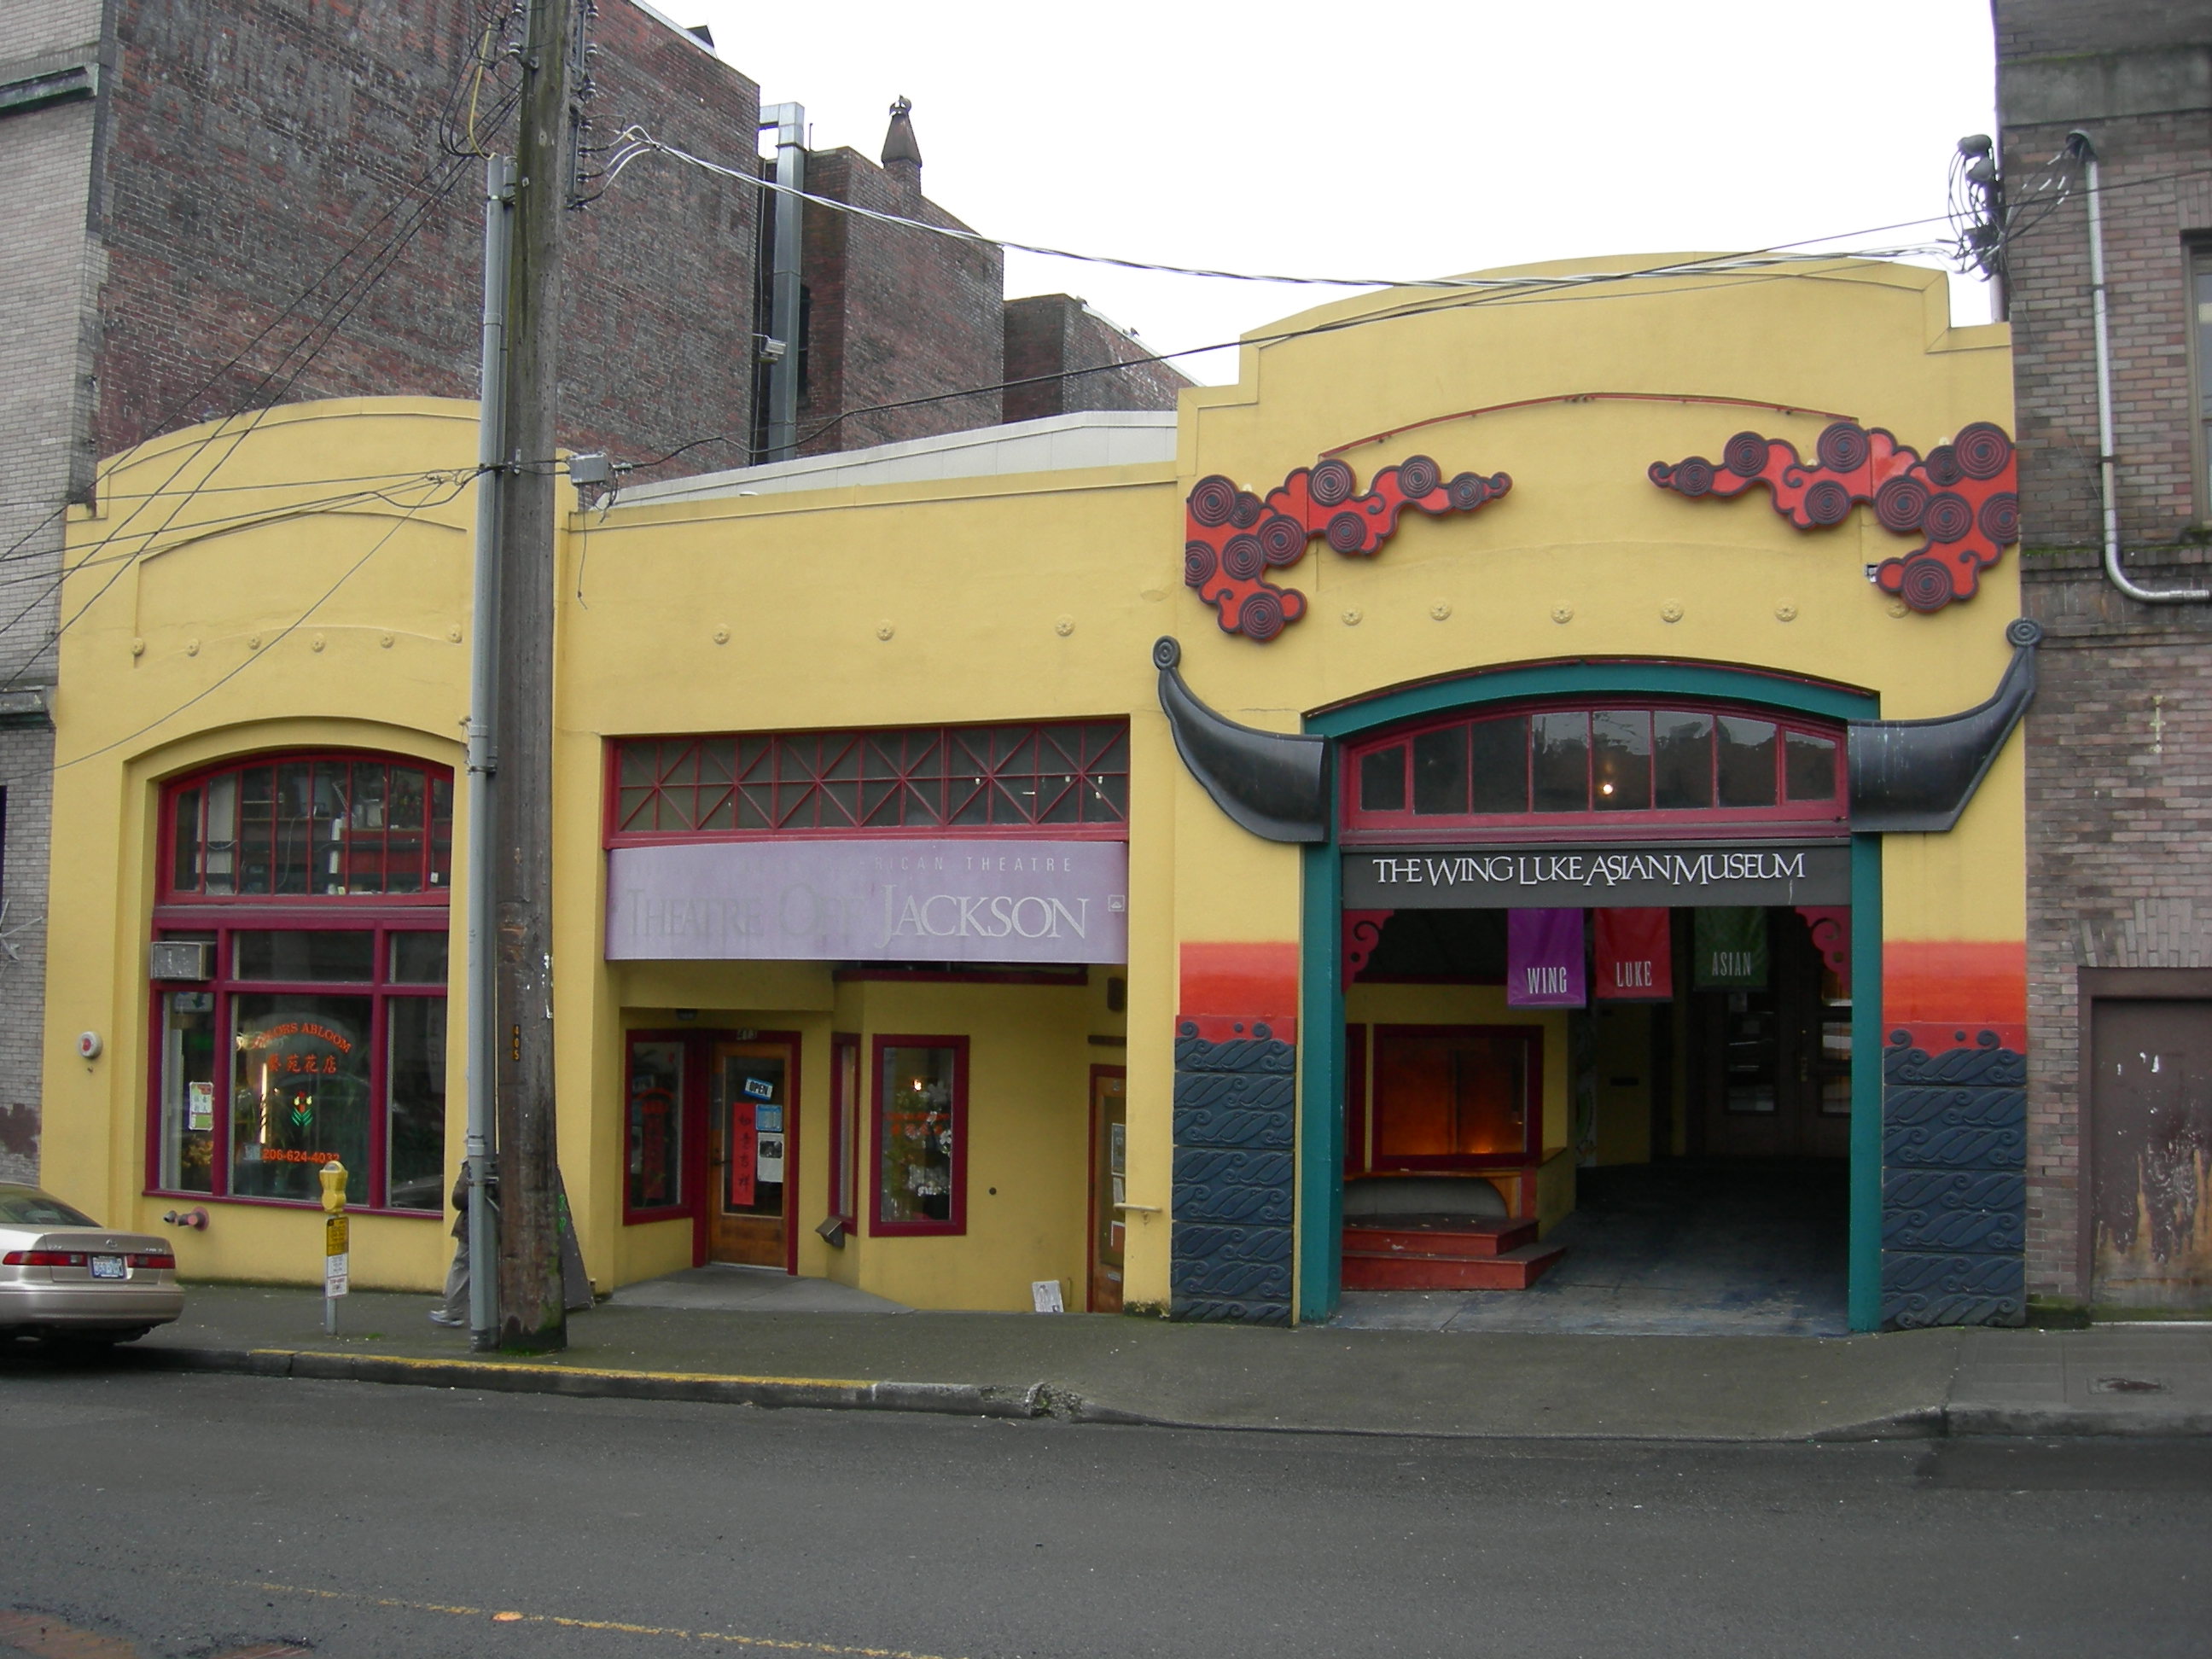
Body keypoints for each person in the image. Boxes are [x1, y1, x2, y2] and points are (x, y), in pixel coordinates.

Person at [429, 1163, 479, 1328]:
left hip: (473, 1224)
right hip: (501, 1224)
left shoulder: (472, 1164)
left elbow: (459, 1198)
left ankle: (453, 1312)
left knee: (462, 1266)